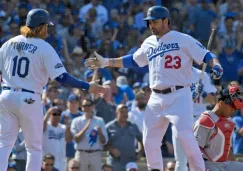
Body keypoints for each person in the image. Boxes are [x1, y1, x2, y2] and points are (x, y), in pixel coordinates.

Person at [85, 5, 223, 171]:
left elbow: (207, 55)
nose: (151, 26)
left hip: (179, 94)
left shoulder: (182, 38)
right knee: (149, 139)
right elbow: (133, 60)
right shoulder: (149, 42)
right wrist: (107, 62)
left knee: (186, 137)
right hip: (156, 97)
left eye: (155, 22)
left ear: (166, 21)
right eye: (149, 22)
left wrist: (216, 64)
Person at [0, 8, 104, 171]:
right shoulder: (44, 47)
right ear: (41, 27)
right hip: (29, 98)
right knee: (33, 148)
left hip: (6, 95)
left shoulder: (8, 43)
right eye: (46, 26)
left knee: (4, 143)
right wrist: (87, 86)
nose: (47, 30)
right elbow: (61, 77)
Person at [173, 67, 217, 171]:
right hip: (180, 119)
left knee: (199, 159)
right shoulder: (173, 74)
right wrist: (187, 94)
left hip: (199, 119)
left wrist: (203, 93)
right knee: (181, 161)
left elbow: (214, 100)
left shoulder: (201, 74)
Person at [193, 84, 243, 171]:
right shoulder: (206, 120)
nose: (234, 110)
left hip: (224, 165)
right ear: (221, 103)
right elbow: (193, 152)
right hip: (208, 165)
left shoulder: (229, 121)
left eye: (235, 108)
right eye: (232, 106)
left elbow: (228, 152)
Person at [71, 99, 108, 171]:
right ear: (81, 107)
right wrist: (86, 127)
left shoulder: (99, 120)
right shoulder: (76, 121)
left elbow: (104, 141)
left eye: (89, 105)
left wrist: (100, 132)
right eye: (85, 106)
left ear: (93, 106)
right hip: (81, 154)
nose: (87, 107)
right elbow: (76, 139)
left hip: (95, 154)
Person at [105, 104, 143, 171]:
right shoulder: (109, 127)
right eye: (122, 112)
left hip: (130, 163)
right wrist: (111, 149)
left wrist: (140, 152)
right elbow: (102, 143)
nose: (125, 114)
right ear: (116, 113)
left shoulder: (133, 126)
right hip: (114, 163)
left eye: (126, 112)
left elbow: (141, 140)